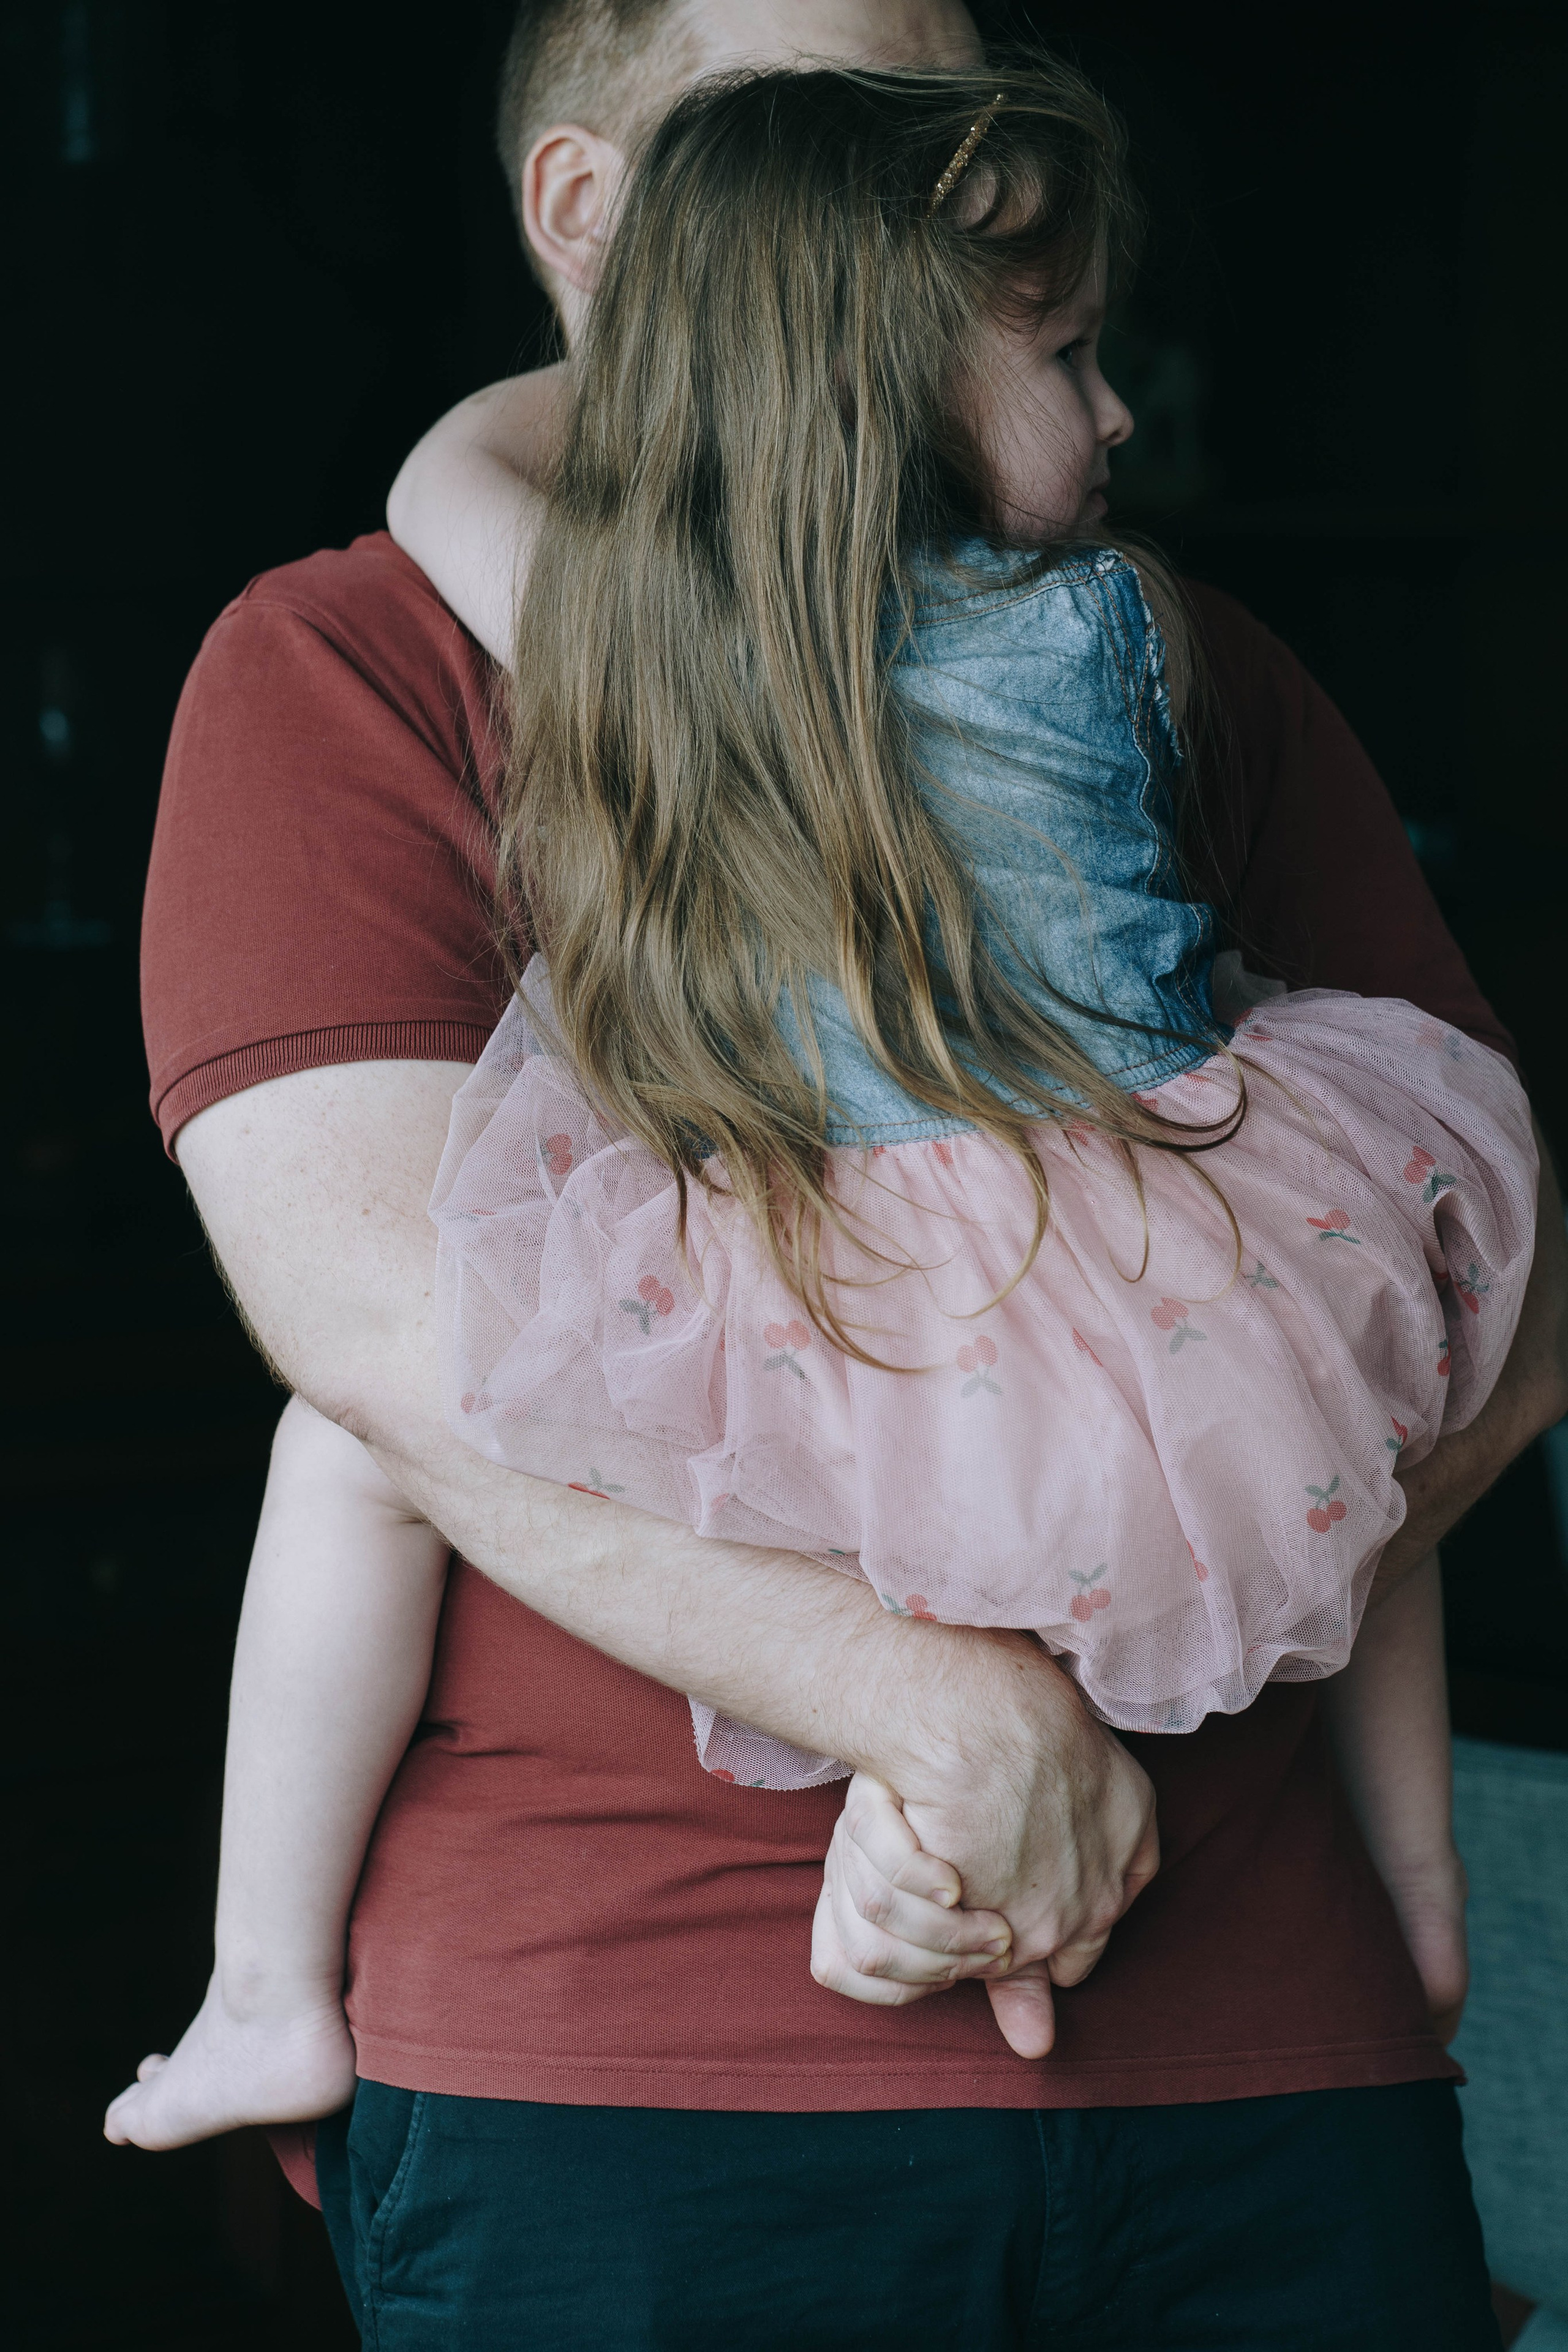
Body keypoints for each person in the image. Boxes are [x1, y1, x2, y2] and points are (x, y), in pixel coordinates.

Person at [118, 3, 1568, 2343]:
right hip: (637, 2083)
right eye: (835, 140)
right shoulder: (352, 672)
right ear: (599, 211)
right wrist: (965, 1702)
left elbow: (1506, 1306)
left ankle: (252, 1978)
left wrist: (1049, 1675)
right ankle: (1423, 1905)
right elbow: (381, 1325)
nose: (917, 183)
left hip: (1261, 2066)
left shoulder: (981, 655)